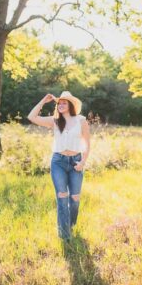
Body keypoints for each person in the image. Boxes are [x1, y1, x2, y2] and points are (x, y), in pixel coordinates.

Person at [27, 91, 91, 242]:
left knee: (74, 199)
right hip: (58, 162)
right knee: (62, 196)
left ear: (70, 105)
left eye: (64, 103)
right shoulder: (55, 121)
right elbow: (31, 117)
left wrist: (82, 163)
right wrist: (43, 101)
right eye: (59, 103)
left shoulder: (81, 121)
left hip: (76, 161)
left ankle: (71, 226)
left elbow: (87, 144)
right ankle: (65, 236)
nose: (61, 105)